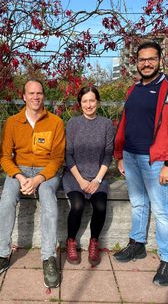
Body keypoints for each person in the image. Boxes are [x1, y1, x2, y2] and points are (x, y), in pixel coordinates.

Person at [113, 41, 168, 286]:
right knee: (138, 203)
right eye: (142, 59)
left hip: (156, 160)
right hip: (131, 156)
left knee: (161, 211)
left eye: (151, 59)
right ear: (136, 62)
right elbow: (125, 123)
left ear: (159, 60)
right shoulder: (133, 88)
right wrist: (119, 154)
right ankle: (137, 244)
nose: (146, 63)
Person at [0, 79, 65, 288]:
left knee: (48, 200)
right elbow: (6, 157)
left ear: (43, 96)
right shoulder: (12, 122)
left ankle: (48, 257)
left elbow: (56, 159)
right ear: (24, 97)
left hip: (47, 172)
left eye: (39, 93)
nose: (36, 97)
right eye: (31, 93)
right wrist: (20, 177)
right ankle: (1, 255)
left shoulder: (55, 122)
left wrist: (37, 179)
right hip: (20, 170)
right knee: (7, 200)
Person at [62, 86, 114, 266]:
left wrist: (97, 180)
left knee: (100, 206)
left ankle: (94, 242)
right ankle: (71, 241)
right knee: (77, 205)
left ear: (97, 102)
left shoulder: (106, 124)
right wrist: (81, 180)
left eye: (92, 100)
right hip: (75, 176)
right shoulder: (73, 124)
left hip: (98, 176)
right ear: (80, 103)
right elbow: (68, 155)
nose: (89, 104)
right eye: (85, 101)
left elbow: (108, 154)